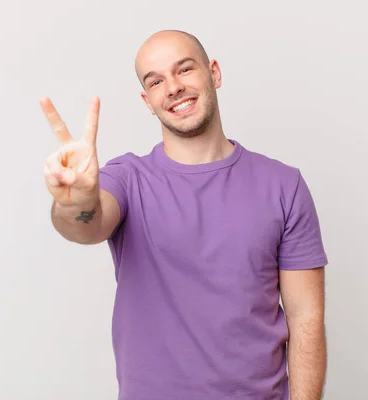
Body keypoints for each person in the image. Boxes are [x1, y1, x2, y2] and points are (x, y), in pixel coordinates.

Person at [40, 29, 329, 400]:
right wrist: (74, 201)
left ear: (215, 73)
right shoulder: (126, 178)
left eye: (184, 70)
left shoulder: (283, 185)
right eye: (156, 81)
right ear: (148, 101)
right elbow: (87, 225)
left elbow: (305, 319)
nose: (173, 87)